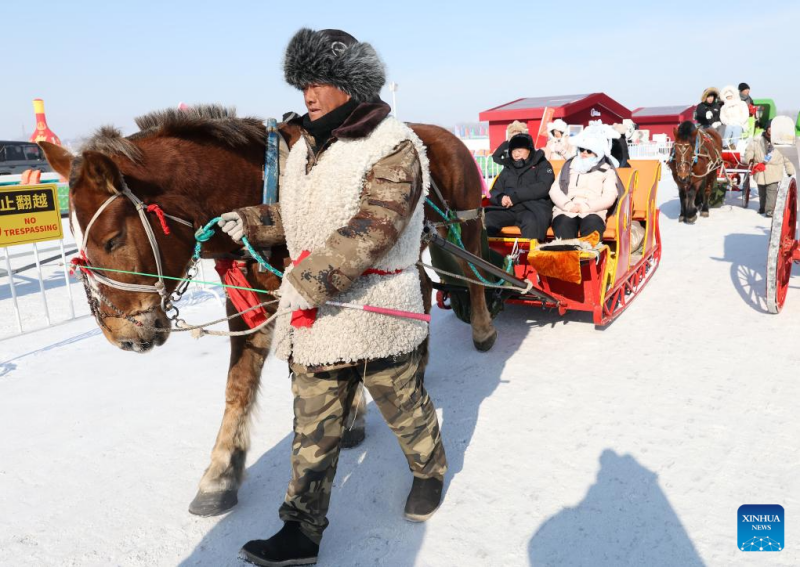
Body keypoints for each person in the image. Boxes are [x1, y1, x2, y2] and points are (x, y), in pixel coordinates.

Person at [219, 28, 447, 567]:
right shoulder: (305, 148)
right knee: (313, 430)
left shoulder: (394, 144)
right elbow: (298, 217)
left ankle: (429, 469)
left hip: (377, 310)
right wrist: (250, 219)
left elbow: (374, 228)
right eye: (303, 83)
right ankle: (300, 531)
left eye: (318, 81)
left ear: (350, 84)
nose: (308, 93)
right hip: (316, 319)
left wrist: (306, 282)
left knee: (405, 411)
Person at [549, 128, 621, 239]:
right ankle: (566, 254)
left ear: (598, 153)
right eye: (582, 149)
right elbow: (555, 190)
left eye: (589, 151)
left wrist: (585, 207)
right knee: (563, 224)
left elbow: (609, 196)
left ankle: (588, 255)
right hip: (567, 209)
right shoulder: (569, 166)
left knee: (592, 225)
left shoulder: (606, 170)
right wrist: (568, 205)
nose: (584, 153)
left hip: (593, 210)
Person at [484, 133, 555, 241]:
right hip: (508, 209)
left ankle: (528, 255)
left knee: (532, 223)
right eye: (513, 151)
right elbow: (494, 191)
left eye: (519, 151)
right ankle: (489, 253)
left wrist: (516, 196)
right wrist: (500, 198)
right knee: (487, 220)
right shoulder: (508, 168)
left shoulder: (542, 165)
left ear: (530, 150)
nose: (516, 154)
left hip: (531, 209)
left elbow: (544, 186)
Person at [744, 120, 796, 216]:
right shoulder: (757, 139)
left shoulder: (781, 141)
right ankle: (762, 207)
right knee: (761, 190)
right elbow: (749, 150)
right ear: (767, 128)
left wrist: (789, 169)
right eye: (769, 127)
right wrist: (749, 159)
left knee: (771, 190)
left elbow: (786, 156)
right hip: (760, 168)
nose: (771, 130)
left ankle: (770, 210)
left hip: (774, 169)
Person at [719, 85, 749, 149]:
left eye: (730, 96)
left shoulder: (741, 104)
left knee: (737, 129)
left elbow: (745, 114)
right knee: (728, 129)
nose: (729, 98)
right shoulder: (724, 107)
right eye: (727, 97)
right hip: (729, 123)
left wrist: (740, 122)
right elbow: (722, 117)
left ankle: (734, 145)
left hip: (740, 123)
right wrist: (727, 122)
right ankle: (725, 144)